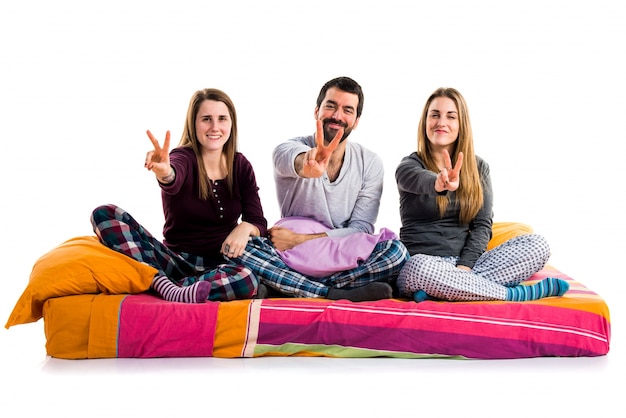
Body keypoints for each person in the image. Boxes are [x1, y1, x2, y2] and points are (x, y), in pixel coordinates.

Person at [230, 76, 409, 302]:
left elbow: (361, 227)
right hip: (291, 256)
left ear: (356, 120)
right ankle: (331, 293)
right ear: (317, 111)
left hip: (339, 256)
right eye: (331, 106)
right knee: (238, 247)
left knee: (397, 253)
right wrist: (307, 164)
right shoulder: (287, 148)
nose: (337, 116)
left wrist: (301, 239)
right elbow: (294, 162)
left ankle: (287, 287)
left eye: (347, 110)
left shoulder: (370, 163)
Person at [90, 88, 268, 303]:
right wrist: (165, 172)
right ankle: (167, 284)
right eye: (206, 119)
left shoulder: (241, 165)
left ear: (232, 123)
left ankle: (174, 290)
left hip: (220, 266)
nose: (215, 127)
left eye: (222, 119)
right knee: (104, 214)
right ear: (194, 124)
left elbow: (258, 221)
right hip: (173, 261)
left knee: (247, 279)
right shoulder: (182, 156)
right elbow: (173, 177)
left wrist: (245, 227)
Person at [395, 87, 569, 303]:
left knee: (537, 245)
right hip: (424, 266)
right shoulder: (409, 166)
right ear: (425, 121)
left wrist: (464, 268)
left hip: (469, 265)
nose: (441, 122)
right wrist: (439, 183)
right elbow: (419, 180)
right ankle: (511, 294)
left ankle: (450, 290)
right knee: (417, 267)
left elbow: (482, 225)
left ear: (461, 124)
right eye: (435, 115)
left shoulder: (479, 168)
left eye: (451, 116)